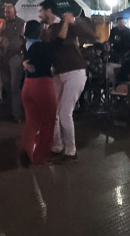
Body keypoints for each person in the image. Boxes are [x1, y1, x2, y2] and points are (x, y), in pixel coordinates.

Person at [49, 12, 89, 161]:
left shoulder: (67, 28)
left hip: (74, 72)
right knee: (55, 112)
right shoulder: (47, 30)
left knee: (65, 113)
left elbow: (90, 35)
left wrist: (72, 22)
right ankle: (57, 145)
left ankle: (71, 151)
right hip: (59, 73)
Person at [19, 20, 56, 165]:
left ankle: (26, 151)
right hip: (42, 85)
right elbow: (59, 42)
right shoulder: (44, 46)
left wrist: (24, 64)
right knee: (48, 121)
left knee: (32, 122)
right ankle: (40, 156)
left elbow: (25, 60)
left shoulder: (28, 45)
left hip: (28, 85)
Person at [0, 3, 26, 122]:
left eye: (8, 12)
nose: (6, 14)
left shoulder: (22, 24)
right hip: (4, 56)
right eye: (5, 12)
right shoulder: (4, 24)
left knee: (14, 86)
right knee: (7, 85)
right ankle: (12, 110)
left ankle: (16, 114)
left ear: (15, 12)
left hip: (15, 56)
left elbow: (25, 39)